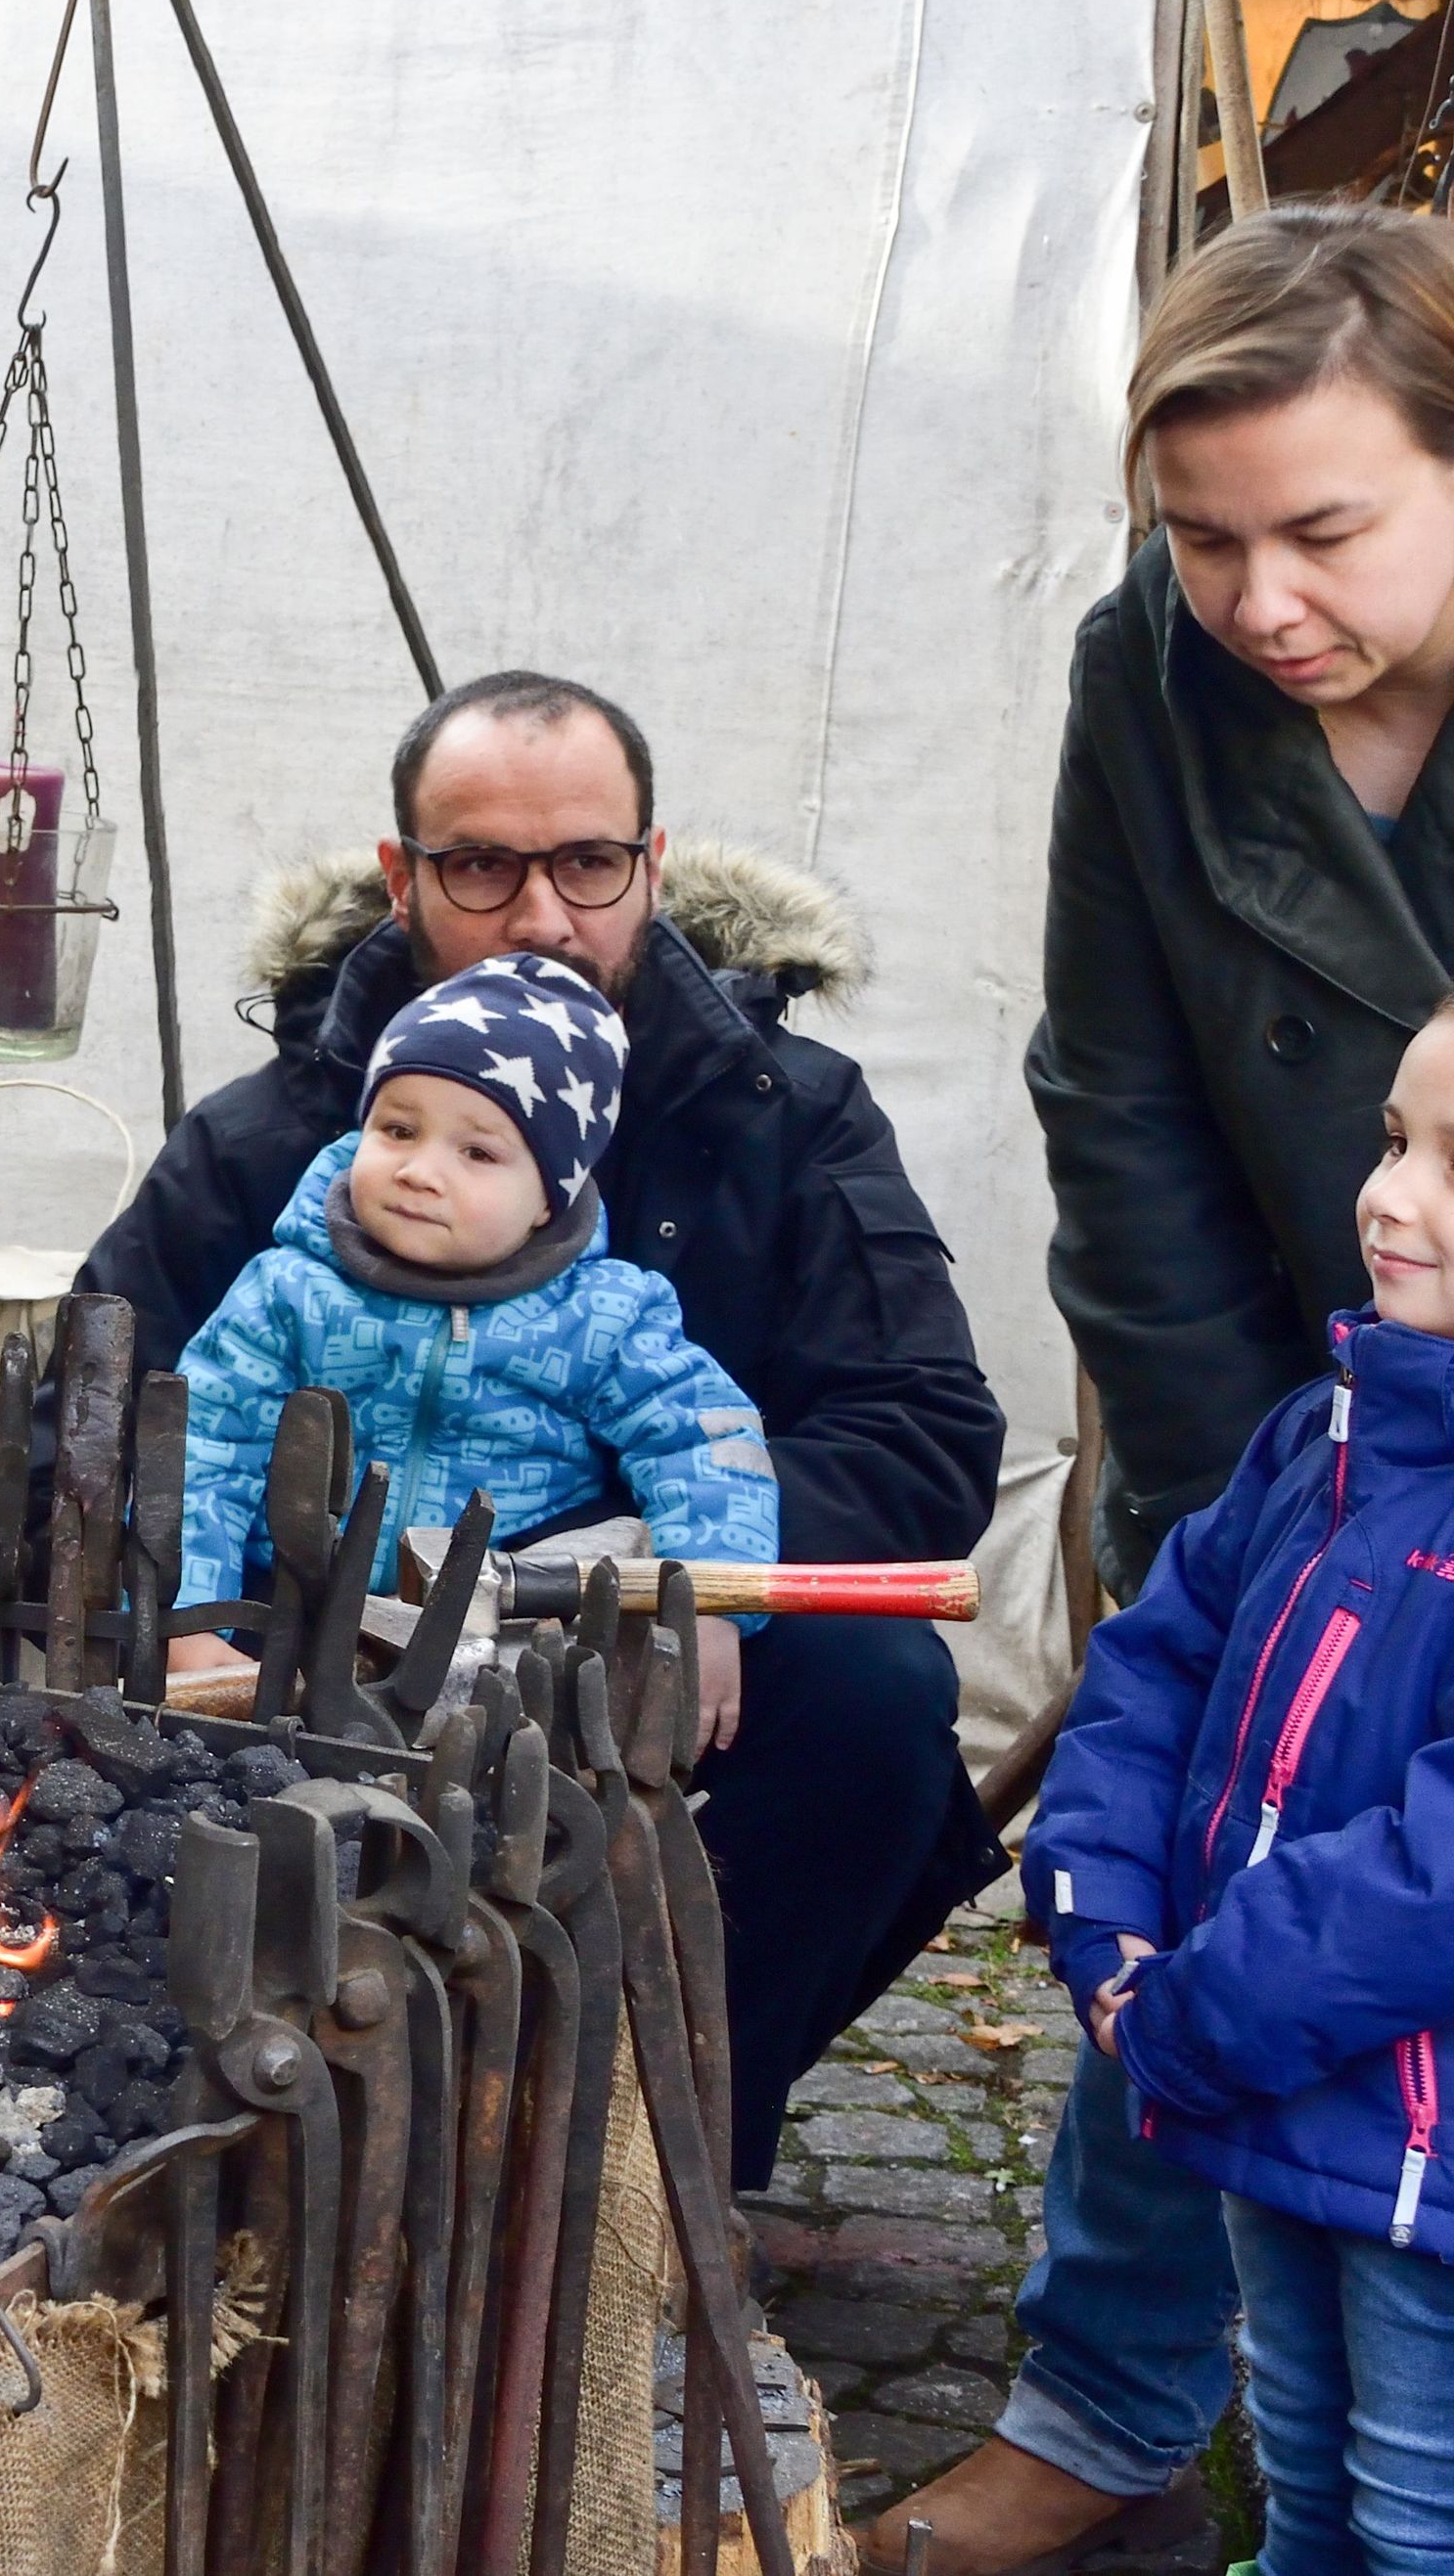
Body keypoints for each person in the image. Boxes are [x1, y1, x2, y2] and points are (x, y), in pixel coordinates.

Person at [78, 667, 1003, 2184]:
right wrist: (211, 1605)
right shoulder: (275, 1136)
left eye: (587, 863)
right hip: (304, 1636)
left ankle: (646, 2166)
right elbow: (100, 1416)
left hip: (635, 1632)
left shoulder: (784, 1112)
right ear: (401, 877)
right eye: (479, 866)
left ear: (651, 859)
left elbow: (921, 1438)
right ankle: (248, 2135)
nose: (542, 916)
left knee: (875, 1700)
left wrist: (634, 1563)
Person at [888, 204, 1454, 2576]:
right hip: (1270, 1400)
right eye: (1200, 535)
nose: (1255, 596)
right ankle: (1109, 2411)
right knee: (1207, 1863)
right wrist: (1261, 1510)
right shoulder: (1158, 670)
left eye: (1321, 530)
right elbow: (1110, 1093)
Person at [1021, 992, 1454, 2576]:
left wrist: (1194, 2012)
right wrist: (1106, 1917)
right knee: (1311, 2493)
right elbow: (1152, 1676)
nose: (1389, 1193)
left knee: (1420, 2522)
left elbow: (1433, 1869)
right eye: (1396, 1139)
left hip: (1425, 2154)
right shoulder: (1321, 1439)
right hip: (1267, 2097)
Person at [162, 950, 782, 1739]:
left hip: (510, 1655)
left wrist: (714, 1611)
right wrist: (190, 1624)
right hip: (285, 1627)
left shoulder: (605, 1316)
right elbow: (202, 1449)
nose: (420, 1170)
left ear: (547, 1200)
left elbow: (708, 1448)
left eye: (478, 1151)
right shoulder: (288, 1291)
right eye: (397, 1128)